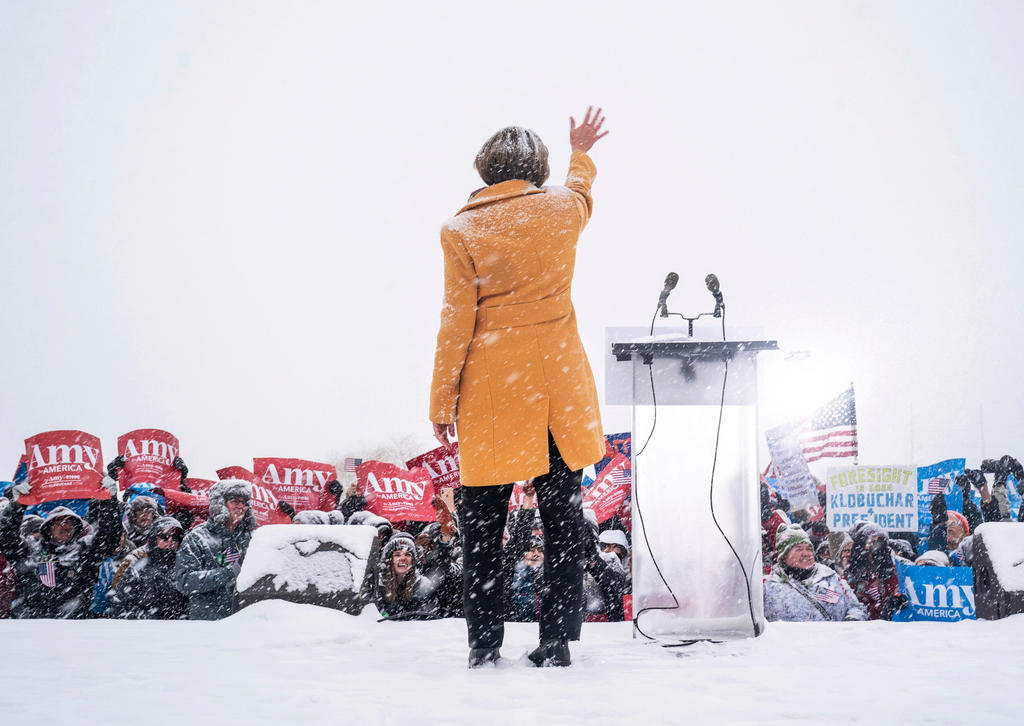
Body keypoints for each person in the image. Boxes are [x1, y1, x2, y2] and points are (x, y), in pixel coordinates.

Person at [429, 108, 609, 668]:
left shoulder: (461, 229)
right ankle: (555, 640)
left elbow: (455, 319)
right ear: (538, 166)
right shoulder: (562, 210)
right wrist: (581, 150)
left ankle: (484, 643)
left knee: (483, 527)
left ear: (485, 168)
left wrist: (442, 401)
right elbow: (581, 190)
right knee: (561, 523)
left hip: (490, 393)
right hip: (558, 390)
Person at [0, 477, 121, 618]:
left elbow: (110, 536)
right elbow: (6, 538)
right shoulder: (30, 550)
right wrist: (17, 505)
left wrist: (109, 500)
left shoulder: (84, 551)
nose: (67, 527)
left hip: (74, 628)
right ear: (48, 528)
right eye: (60, 523)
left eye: (71, 524)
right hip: (31, 628)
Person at [174, 479, 256, 620]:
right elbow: (184, 582)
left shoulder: (253, 538)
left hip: (244, 624)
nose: (241, 506)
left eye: (245, 502)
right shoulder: (197, 538)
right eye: (235, 501)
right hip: (208, 625)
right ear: (220, 504)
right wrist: (228, 572)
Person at [764, 524, 866, 622]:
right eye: (798, 549)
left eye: (809, 549)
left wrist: (853, 619)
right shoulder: (768, 586)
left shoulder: (831, 578)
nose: (806, 554)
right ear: (784, 557)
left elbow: (856, 608)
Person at [111, 515, 188, 619]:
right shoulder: (136, 562)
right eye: (164, 536)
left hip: (180, 628)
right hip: (147, 628)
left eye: (175, 537)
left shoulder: (186, 562)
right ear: (153, 538)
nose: (170, 540)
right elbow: (121, 603)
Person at [375, 532, 438, 620]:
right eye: (397, 554)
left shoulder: (424, 586)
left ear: (413, 560)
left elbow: (432, 619)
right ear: (389, 559)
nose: (403, 558)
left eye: (408, 554)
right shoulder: (377, 586)